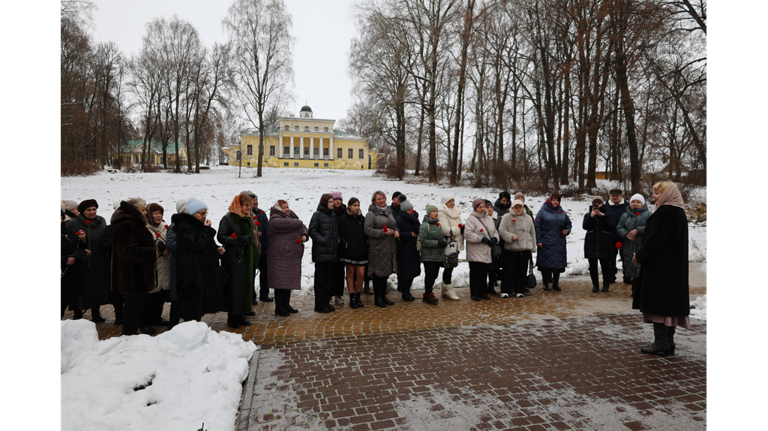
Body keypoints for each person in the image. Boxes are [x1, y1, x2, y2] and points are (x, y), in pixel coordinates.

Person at [632, 181, 690, 356]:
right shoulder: (678, 212)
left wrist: (640, 256)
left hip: (661, 267)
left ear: (666, 195)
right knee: (669, 303)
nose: (654, 196)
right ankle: (668, 342)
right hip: (673, 268)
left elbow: (655, 239)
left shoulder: (666, 212)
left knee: (660, 302)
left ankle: (661, 342)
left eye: (657, 193)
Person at [173, 198, 225, 323]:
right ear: (192, 213)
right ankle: (190, 330)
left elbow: (206, 244)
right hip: (190, 273)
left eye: (205, 213)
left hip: (201, 272)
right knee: (191, 304)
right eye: (201, 213)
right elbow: (198, 244)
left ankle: (196, 327)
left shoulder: (198, 226)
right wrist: (207, 230)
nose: (204, 216)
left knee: (199, 302)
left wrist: (216, 249)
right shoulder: (184, 227)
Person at [110, 198, 157, 336]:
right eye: (143, 210)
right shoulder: (127, 224)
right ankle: (128, 335)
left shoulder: (132, 223)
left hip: (136, 274)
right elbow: (126, 251)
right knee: (132, 307)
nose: (145, 213)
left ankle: (131, 333)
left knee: (136, 306)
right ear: (134, 211)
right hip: (131, 275)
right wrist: (151, 252)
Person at [218, 194, 260, 327]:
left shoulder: (247, 218)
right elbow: (221, 237)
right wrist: (240, 239)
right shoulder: (228, 218)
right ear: (238, 205)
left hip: (247, 259)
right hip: (234, 259)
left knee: (245, 288)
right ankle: (232, 317)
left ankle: (241, 314)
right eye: (246, 205)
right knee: (235, 288)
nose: (249, 207)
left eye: (250, 205)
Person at [66, 199, 109, 322]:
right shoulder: (73, 223)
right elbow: (68, 243)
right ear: (82, 211)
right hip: (81, 262)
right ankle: (77, 313)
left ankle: (96, 312)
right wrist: (81, 242)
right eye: (88, 210)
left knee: (97, 286)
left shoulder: (101, 221)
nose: (92, 212)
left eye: (94, 209)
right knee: (81, 287)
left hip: (99, 259)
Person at [268, 200, 309, 315]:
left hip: (289, 255)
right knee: (280, 282)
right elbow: (296, 224)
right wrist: (299, 222)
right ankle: (279, 307)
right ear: (278, 210)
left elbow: (303, 227)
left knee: (287, 281)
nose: (287, 209)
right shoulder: (275, 220)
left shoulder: (292, 218)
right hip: (279, 256)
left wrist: (304, 234)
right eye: (284, 208)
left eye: (287, 207)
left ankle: (286, 304)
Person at [364, 190, 400, 308]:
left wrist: (396, 231)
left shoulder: (389, 211)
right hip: (378, 248)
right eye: (379, 199)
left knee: (385, 273)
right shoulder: (371, 214)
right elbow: (367, 230)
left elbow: (394, 225)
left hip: (389, 247)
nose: (382, 200)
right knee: (378, 273)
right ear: (374, 201)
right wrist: (382, 232)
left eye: (383, 198)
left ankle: (383, 296)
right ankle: (377, 297)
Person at [498, 200, 537, 298]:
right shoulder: (507, 217)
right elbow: (502, 231)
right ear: (512, 208)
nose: (518, 209)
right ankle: (506, 290)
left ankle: (519, 290)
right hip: (511, 248)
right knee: (509, 270)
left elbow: (532, 232)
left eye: (520, 207)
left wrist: (532, 247)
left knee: (522, 270)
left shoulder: (528, 218)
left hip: (525, 248)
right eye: (516, 207)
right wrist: (511, 236)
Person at [309, 194, 340, 313]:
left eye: (333, 201)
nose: (333, 203)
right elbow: (312, 231)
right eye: (331, 202)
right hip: (321, 254)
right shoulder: (317, 215)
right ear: (324, 203)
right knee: (320, 281)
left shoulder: (332, 215)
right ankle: (320, 304)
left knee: (328, 280)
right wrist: (324, 241)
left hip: (331, 254)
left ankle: (326, 302)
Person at [464, 198, 500, 301]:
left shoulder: (488, 218)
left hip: (486, 251)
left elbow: (494, 232)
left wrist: (495, 239)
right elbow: (468, 234)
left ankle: (483, 292)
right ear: (475, 208)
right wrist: (480, 238)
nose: (482, 209)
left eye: (483, 207)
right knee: (475, 273)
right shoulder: (471, 219)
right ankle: (475, 293)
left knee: (484, 273)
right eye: (480, 207)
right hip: (475, 251)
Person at [535, 193, 572, 291]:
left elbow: (569, 224)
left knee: (557, 264)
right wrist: (538, 240)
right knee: (545, 264)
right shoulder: (542, 212)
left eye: (557, 200)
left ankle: (555, 283)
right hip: (546, 242)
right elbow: (537, 227)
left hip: (559, 242)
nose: (555, 202)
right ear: (549, 200)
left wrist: (567, 230)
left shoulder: (562, 212)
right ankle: (545, 283)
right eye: (553, 200)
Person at [144, 203, 171, 328]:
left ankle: (157, 318)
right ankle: (146, 321)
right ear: (149, 215)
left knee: (160, 295)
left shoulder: (165, 227)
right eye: (155, 213)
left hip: (164, 266)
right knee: (150, 297)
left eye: (160, 213)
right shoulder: (145, 229)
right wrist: (159, 251)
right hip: (151, 267)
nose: (158, 216)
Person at [583, 196, 617, 293]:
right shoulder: (588, 215)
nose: (597, 205)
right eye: (595, 203)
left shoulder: (608, 214)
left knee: (605, 265)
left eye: (599, 203)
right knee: (592, 266)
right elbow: (585, 226)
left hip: (605, 243)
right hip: (591, 244)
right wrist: (591, 216)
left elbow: (611, 227)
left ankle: (606, 285)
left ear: (602, 204)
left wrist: (603, 217)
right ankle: (595, 285)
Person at [242, 191, 271, 304]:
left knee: (265, 272)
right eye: (252, 199)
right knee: (251, 273)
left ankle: (264, 294)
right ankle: (252, 296)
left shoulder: (262, 213)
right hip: (252, 249)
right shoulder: (245, 215)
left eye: (256, 199)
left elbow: (267, 229)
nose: (255, 201)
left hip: (264, 248)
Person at [338, 197, 368, 309]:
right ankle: (352, 297)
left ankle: (358, 296)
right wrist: (346, 244)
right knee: (350, 274)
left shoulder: (363, 219)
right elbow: (340, 234)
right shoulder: (343, 219)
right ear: (349, 206)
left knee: (360, 274)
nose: (357, 207)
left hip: (361, 251)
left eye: (358, 205)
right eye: (354, 205)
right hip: (348, 251)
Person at [617, 194, 652, 288]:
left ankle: (642, 290)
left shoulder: (649, 214)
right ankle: (634, 290)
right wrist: (625, 234)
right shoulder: (625, 215)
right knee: (631, 270)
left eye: (638, 202)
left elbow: (652, 229)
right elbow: (619, 227)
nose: (635, 204)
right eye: (633, 202)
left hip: (642, 246)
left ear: (642, 203)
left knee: (642, 271)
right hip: (629, 247)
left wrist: (638, 230)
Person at [165, 198, 188, 329]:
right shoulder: (174, 226)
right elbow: (171, 244)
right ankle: (173, 325)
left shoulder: (195, 225)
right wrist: (188, 243)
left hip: (191, 266)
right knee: (177, 298)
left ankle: (189, 325)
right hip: (178, 266)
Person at [437, 194, 464, 300]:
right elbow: (445, 229)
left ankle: (445, 289)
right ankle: (448, 289)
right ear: (445, 203)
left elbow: (458, 225)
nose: (452, 203)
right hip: (449, 244)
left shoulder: (455, 212)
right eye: (449, 201)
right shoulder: (442, 213)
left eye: (453, 200)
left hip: (456, 243)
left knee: (450, 267)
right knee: (448, 267)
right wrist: (459, 230)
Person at [60, 209, 85, 319]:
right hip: (62, 270)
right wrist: (64, 259)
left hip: (68, 273)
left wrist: (83, 241)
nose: (59, 220)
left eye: (60, 218)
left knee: (64, 300)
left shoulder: (64, 230)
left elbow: (73, 246)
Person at [419, 205, 445, 305]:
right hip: (428, 256)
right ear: (429, 213)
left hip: (437, 255)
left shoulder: (438, 224)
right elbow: (423, 241)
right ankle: (427, 294)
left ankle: (429, 293)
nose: (436, 213)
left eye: (437, 211)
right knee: (429, 276)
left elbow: (441, 236)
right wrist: (438, 243)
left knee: (434, 275)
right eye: (434, 211)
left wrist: (443, 241)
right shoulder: (425, 225)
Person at [395, 198, 420, 302]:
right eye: (409, 210)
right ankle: (404, 292)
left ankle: (408, 291)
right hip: (404, 249)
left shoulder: (414, 219)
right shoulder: (399, 219)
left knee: (412, 272)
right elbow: (398, 234)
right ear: (404, 211)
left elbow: (419, 230)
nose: (411, 212)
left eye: (412, 209)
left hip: (414, 249)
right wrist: (410, 234)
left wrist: (416, 219)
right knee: (405, 273)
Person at [604, 188, 629, 284]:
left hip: (625, 236)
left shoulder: (627, 206)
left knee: (626, 258)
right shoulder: (606, 206)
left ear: (621, 196)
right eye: (613, 196)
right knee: (610, 258)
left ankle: (627, 276)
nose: (615, 197)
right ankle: (611, 277)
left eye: (617, 196)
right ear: (610, 196)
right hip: (610, 237)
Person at [331, 191, 346, 305]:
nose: (337, 201)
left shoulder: (345, 213)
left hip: (342, 247)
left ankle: (338, 294)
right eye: (335, 200)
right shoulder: (329, 212)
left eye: (339, 199)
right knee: (331, 272)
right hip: (330, 247)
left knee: (340, 272)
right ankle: (330, 295)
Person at [485, 200, 502, 295]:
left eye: (491, 207)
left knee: (494, 268)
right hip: (484, 246)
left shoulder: (498, 218)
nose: (489, 209)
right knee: (485, 268)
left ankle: (491, 285)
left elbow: (500, 230)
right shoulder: (482, 218)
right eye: (487, 207)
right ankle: (484, 286)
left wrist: (495, 239)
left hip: (495, 246)